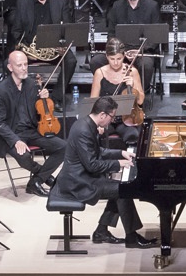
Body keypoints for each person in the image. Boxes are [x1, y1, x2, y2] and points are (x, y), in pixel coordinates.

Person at [50, 95, 148, 246]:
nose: (112, 120)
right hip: (77, 182)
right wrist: (118, 164)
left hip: (82, 176)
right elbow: (92, 165)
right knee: (123, 190)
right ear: (102, 115)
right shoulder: (83, 130)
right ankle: (131, 237)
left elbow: (97, 151)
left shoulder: (86, 123)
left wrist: (120, 153)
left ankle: (102, 232)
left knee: (119, 189)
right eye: (112, 117)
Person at [0, 49, 66, 196]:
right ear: (10, 67)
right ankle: (43, 175)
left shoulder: (32, 84)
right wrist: (16, 140)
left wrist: (45, 98)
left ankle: (35, 182)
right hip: (12, 134)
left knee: (64, 147)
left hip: (32, 130)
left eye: (26, 64)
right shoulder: (0, 90)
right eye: (19, 65)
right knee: (24, 156)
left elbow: (40, 110)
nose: (24, 68)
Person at [10, 0, 76, 92]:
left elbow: (68, 28)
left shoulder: (61, 1)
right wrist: (24, 50)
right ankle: (21, 96)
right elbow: (16, 31)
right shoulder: (22, 3)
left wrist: (63, 46)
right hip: (30, 49)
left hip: (54, 49)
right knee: (7, 63)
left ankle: (57, 96)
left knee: (71, 61)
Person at [104, 0, 160, 96]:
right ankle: (116, 93)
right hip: (121, 51)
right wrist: (121, 52)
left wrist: (139, 51)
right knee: (96, 61)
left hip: (143, 51)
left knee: (146, 64)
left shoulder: (152, 6)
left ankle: (139, 97)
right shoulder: (116, 6)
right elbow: (111, 34)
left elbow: (155, 37)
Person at [90, 39, 146, 131]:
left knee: (132, 134)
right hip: (106, 119)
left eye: (119, 59)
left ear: (124, 56)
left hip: (127, 118)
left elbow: (140, 101)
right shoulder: (99, 73)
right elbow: (93, 101)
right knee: (98, 134)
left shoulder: (132, 71)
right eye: (112, 59)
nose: (115, 63)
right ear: (107, 57)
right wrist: (97, 122)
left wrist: (133, 86)